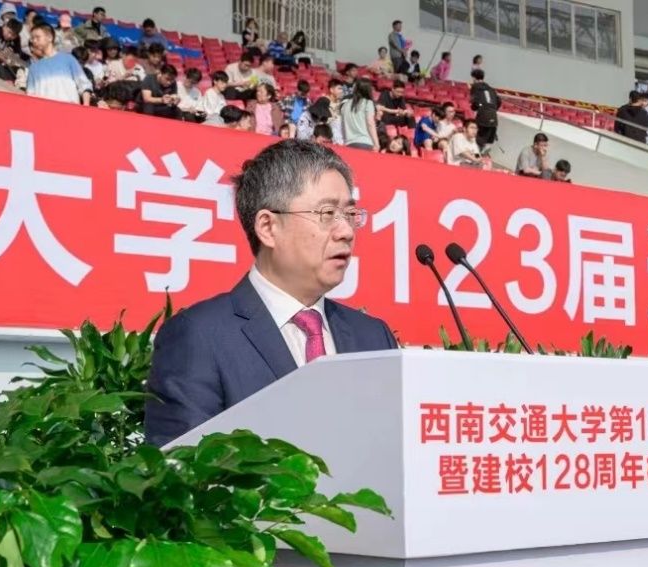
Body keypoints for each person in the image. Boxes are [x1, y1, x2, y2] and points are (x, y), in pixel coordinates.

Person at [144, 140, 398, 446]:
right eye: (328, 213)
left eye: (350, 213)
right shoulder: (199, 336)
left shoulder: (373, 336)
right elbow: (181, 465)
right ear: (267, 227)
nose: (346, 231)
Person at [26, 23, 93, 105]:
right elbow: (30, 95)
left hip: (69, 109)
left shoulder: (68, 59)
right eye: (32, 38)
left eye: (37, 37)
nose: (34, 41)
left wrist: (85, 106)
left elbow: (84, 85)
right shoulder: (33, 67)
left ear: (50, 37)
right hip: (44, 110)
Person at [341, 79, 379, 151]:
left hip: (348, 143)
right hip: (364, 142)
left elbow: (342, 126)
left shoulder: (345, 105)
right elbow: (370, 123)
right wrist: (376, 143)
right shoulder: (368, 103)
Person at [468, 69, 499, 150]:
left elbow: (474, 103)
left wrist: (474, 107)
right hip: (494, 117)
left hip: (483, 117)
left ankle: (477, 155)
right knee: (487, 142)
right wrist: (492, 109)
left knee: (477, 141)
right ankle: (483, 152)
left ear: (474, 78)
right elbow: (499, 101)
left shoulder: (475, 87)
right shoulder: (491, 89)